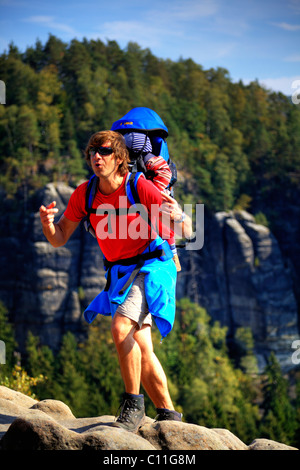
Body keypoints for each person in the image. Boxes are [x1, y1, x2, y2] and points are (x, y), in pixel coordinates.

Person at [39, 130, 192, 433]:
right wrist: (47, 225)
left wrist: (178, 216)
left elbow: (187, 231)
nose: (97, 156)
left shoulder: (139, 187)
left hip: (153, 265)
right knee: (141, 347)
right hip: (121, 274)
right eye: (93, 152)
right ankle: (169, 416)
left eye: (105, 151)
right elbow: (59, 238)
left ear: (121, 158)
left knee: (121, 327)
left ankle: (132, 407)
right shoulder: (86, 194)